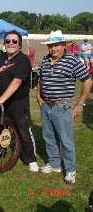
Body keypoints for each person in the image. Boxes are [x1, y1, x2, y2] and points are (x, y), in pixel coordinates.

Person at [0, 30, 40, 172]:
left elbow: (17, 82)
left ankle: (31, 159)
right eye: (8, 41)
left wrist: (2, 98)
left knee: (23, 129)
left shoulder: (23, 60)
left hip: (18, 101)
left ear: (20, 44)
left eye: (14, 41)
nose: (11, 44)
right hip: (0, 100)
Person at [37, 30, 92, 184]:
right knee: (49, 137)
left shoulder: (73, 60)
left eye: (56, 45)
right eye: (50, 45)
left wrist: (80, 103)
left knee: (65, 139)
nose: (52, 48)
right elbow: (41, 78)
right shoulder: (46, 59)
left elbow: (88, 81)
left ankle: (70, 170)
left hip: (63, 107)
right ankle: (54, 164)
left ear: (63, 45)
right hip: (46, 106)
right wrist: (38, 95)